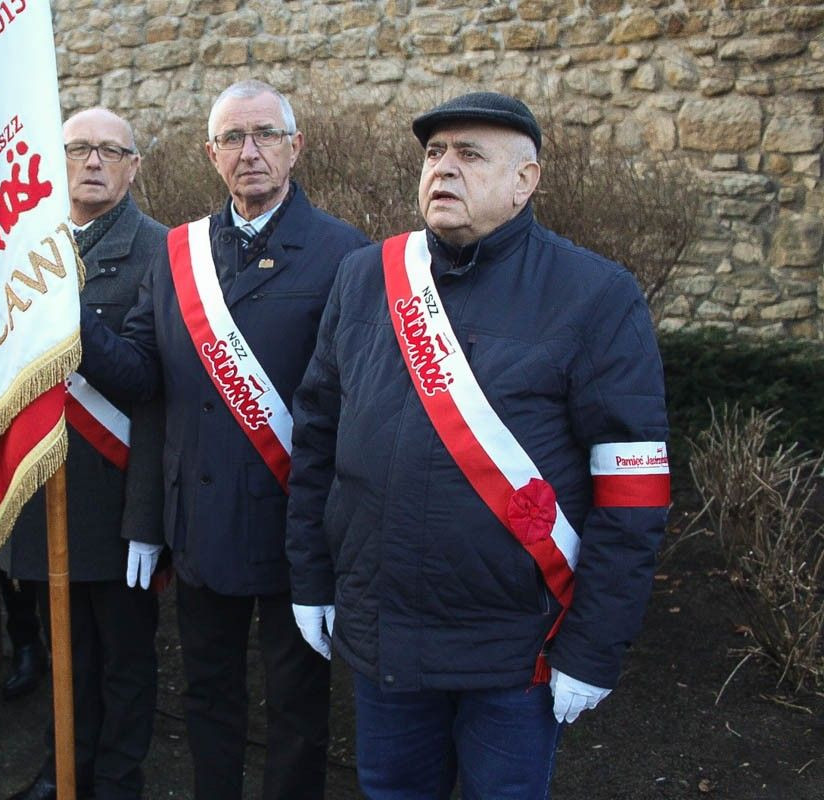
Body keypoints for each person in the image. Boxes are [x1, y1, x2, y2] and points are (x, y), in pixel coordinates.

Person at [285, 92, 670, 799]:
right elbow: (316, 438)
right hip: (385, 640)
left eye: (470, 154)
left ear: (526, 182)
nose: (444, 169)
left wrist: (592, 649)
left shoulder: (595, 295)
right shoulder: (366, 277)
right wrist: (311, 578)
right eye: (434, 154)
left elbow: (632, 492)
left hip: (517, 655)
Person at [77, 80, 369, 799]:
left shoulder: (347, 254)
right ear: (211, 154)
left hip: (294, 525)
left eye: (265, 135)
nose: (250, 152)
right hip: (201, 523)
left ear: (295, 146)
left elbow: (356, 406)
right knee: (209, 696)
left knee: (296, 708)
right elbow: (142, 377)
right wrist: (72, 323)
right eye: (233, 139)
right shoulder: (178, 254)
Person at [6, 108, 166, 800]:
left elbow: (141, 377)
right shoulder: (21, 250)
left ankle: (115, 780)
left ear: (133, 166)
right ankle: (60, 767)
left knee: (124, 658)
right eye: (77, 149)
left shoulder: (160, 252)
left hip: (117, 489)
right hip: (39, 480)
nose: (92, 162)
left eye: (110, 151)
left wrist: (61, 305)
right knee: (60, 650)